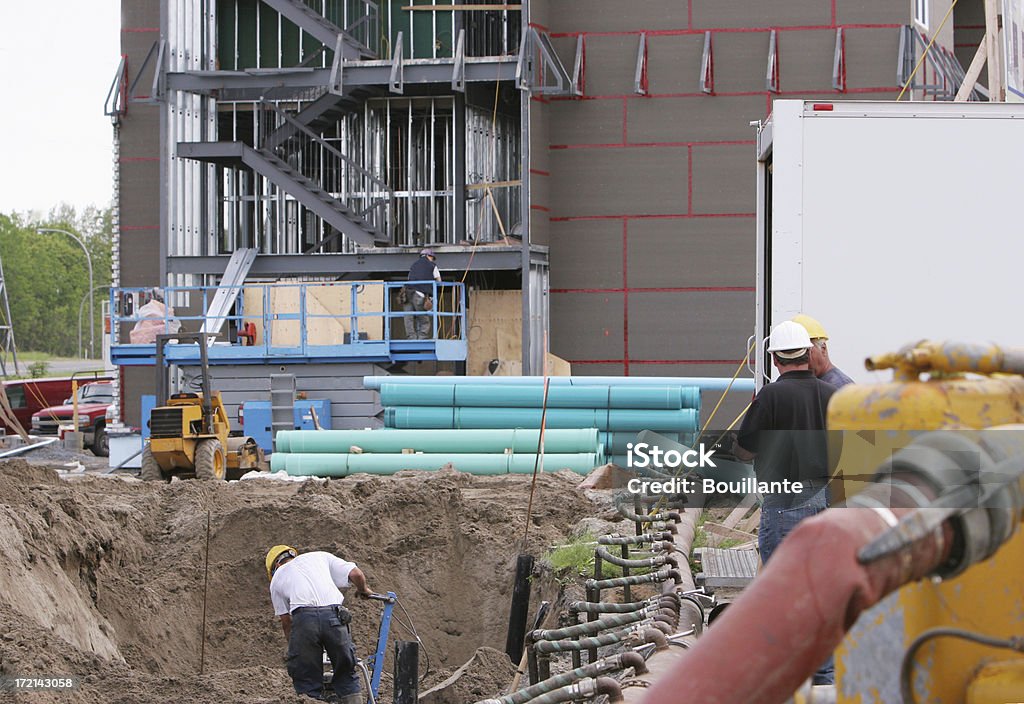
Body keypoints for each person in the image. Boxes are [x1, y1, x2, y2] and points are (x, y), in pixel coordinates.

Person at [732, 320, 837, 684]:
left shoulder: (771, 397)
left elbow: (745, 448)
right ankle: (825, 676)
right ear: (808, 355)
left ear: (775, 359)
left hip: (785, 502)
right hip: (823, 500)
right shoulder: (829, 395)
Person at [266, 545, 373, 703]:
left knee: (307, 680)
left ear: (276, 566)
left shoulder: (276, 579)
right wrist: (363, 589)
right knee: (346, 673)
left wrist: (296, 648)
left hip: (303, 621)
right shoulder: (320, 556)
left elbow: (286, 622)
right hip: (334, 617)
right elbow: (356, 574)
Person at [792, 313, 854, 388]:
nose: (801, 360)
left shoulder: (840, 386)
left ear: (823, 348)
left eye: (807, 352)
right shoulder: (817, 384)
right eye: (796, 354)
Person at [403, 248, 441, 340]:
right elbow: (439, 281)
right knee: (424, 319)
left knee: (408, 317)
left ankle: (411, 338)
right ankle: (421, 338)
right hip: (419, 294)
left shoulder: (413, 265)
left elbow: (409, 278)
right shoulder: (432, 265)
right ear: (429, 256)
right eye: (432, 257)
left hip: (407, 294)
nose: (432, 259)